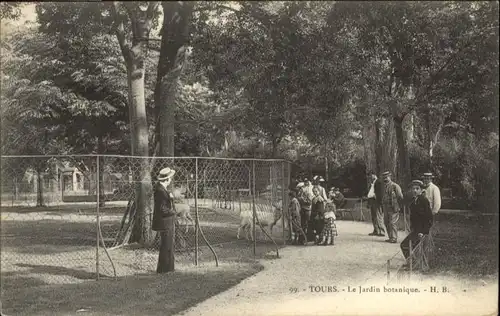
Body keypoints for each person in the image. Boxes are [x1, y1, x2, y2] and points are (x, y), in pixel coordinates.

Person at [400, 180, 433, 267]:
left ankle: (413, 264)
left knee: (405, 245)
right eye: (413, 189)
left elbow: (429, 218)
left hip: (421, 231)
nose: (414, 190)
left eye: (417, 189)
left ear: (421, 190)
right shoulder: (414, 200)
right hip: (415, 230)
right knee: (408, 246)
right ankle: (413, 263)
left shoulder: (424, 200)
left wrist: (423, 231)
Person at [152, 167, 176, 273]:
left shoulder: (162, 189)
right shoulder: (160, 191)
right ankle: (163, 269)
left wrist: (171, 198)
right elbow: (163, 209)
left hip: (167, 221)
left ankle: (168, 268)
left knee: (168, 244)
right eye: (170, 178)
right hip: (165, 222)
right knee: (166, 245)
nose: (171, 180)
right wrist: (174, 211)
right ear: (167, 179)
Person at [381, 171, 404, 243]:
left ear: (390, 177)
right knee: (386, 222)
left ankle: (394, 238)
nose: (385, 179)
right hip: (385, 207)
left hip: (393, 206)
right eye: (384, 177)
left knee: (392, 222)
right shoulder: (384, 186)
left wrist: (399, 206)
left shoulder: (395, 186)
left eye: (386, 177)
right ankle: (390, 237)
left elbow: (400, 197)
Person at [367, 172, 385, 237]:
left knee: (378, 216)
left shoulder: (379, 182)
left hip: (377, 201)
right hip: (372, 201)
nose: (370, 177)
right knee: (373, 217)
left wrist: (379, 201)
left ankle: (382, 231)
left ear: (374, 175)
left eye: (371, 176)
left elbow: (380, 192)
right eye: (369, 176)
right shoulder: (372, 183)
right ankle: (376, 230)